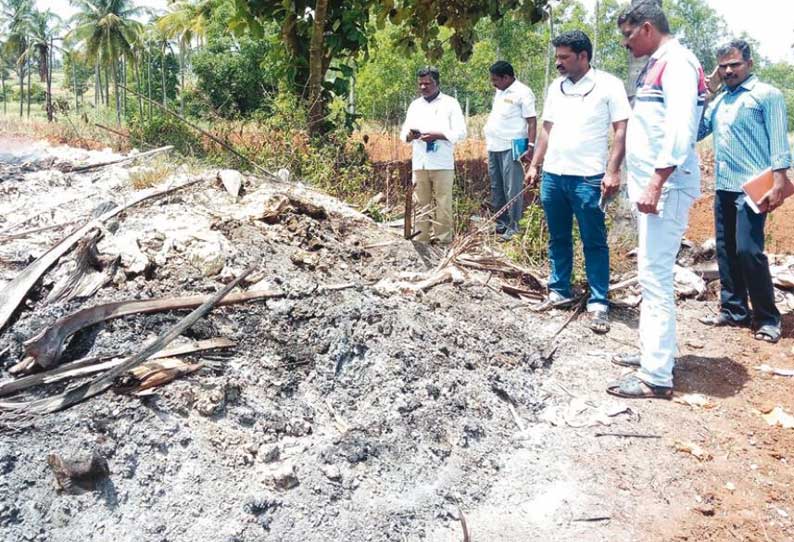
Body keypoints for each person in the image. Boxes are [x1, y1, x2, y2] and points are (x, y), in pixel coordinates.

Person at [607, 1, 707, 399]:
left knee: (657, 277)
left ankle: (657, 376)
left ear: (647, 28)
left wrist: (657, 182)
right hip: (655, 185)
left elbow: (682, 130)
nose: (626, 43)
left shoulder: (678, 63)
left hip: (667, 186)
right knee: (651, 276)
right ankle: (653, 353)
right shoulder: (658, 63)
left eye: (629, 35)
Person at [525, 30, 631, 334]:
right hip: (554, 177)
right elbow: (546, 130)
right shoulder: (555, 88)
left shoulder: (609, 85)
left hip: (588, 178)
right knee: (558, 237)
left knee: (593, 240)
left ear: (583, 56)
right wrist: (535, 166)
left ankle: (598, 301)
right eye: (557, 57)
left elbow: (621, 131)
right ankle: (559, 290)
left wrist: (612, 171)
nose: (558, 62)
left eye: (564, 57)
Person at [697, 39, 792, 343]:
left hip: (755, 187)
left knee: (748, 251)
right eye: (722, 66)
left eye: (734, 65)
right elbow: (696, 132)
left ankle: (767, 318)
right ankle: (734, 310)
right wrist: (705, 95)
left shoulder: (767, 95)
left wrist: (780, 181)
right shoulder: (721, 101)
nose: (728, 71)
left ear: (749, 64)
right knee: (726, 251)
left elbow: (779, 140)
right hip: (724, 186)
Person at [399, 66, 467, 244]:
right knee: (421, 202)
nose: (423, 87)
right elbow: (404, 133)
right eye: (420, 84)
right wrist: (410, 136)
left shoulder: (450, 103)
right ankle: (421, 238)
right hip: (420, 161)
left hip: (441, 162)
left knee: (443, 202)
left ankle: (443, 240)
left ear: (437, 83)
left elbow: (461, 132)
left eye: (427, 83)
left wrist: (438, 135)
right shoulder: (415, 105)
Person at [483, 61, 537, 241]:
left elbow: (531, 121)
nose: (493, 84)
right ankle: (501, 224)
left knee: (512, 188)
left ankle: (514, 228)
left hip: (512, 146)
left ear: (507, 77)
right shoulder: (500, 91)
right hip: (494, 145)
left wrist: (530, 146)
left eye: (495, 80)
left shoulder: (523, 92)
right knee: (497, 186)